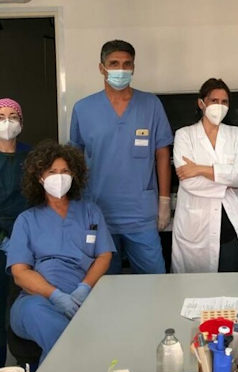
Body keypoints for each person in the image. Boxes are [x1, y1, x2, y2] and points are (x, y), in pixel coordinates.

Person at [70, 39, 173, 274]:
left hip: (141, 212)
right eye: (114, 63)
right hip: (98, 212)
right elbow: (74, 159)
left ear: (133, 67)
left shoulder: (151, 105)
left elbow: (162, 153)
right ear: (102, 68)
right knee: (103, 284)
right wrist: (75, 204)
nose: (121, 69)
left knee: (154, 281)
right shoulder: (83, 108)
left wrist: (164, 201)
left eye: (127, 64)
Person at [7, 142, 115, 361]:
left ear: (74, 175)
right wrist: (55, 296)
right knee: (47, 320)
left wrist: (84, 288)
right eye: (52, 172)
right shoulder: (27, 220)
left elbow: (104, 255)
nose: (59, 177)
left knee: (72, 336)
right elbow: (19, 273)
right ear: (40, 177)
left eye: (65, 171)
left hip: (82, 299)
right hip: (36, 300)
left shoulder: (90, 212)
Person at [171, 78, 238, 273]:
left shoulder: (236, 134)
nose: (219, 106)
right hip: (197, 225)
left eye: (224, 102)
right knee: (197, 285)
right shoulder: (184, 135)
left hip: (232, 223)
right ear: (201, 103)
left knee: (234, 280)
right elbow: (189, 182)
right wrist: (227, 181)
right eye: (214, 100)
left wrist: (200, 169)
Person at [0, 98, 30, 367]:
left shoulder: (30, 156)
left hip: (27, 235)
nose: (7, 122)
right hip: (2, 240)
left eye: (13, 116)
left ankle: (26, 368)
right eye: (1, 117)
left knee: (23, 303)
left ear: (21, 122)